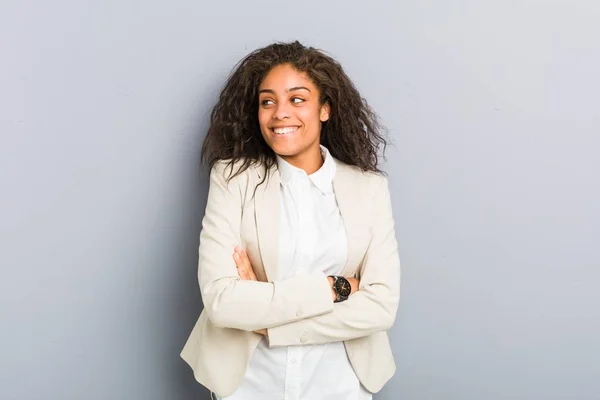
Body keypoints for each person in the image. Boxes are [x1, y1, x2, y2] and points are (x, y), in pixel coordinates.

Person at [180, 41, 401, 400]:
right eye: (268, 101)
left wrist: (269, 325)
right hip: (249, 384)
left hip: (340, 383)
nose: (280, 113)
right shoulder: (233, 179)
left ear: (325, 109)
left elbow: (380, 307)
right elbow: (221, 301)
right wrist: (335, 287)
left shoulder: (369, 188)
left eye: (297, 99)